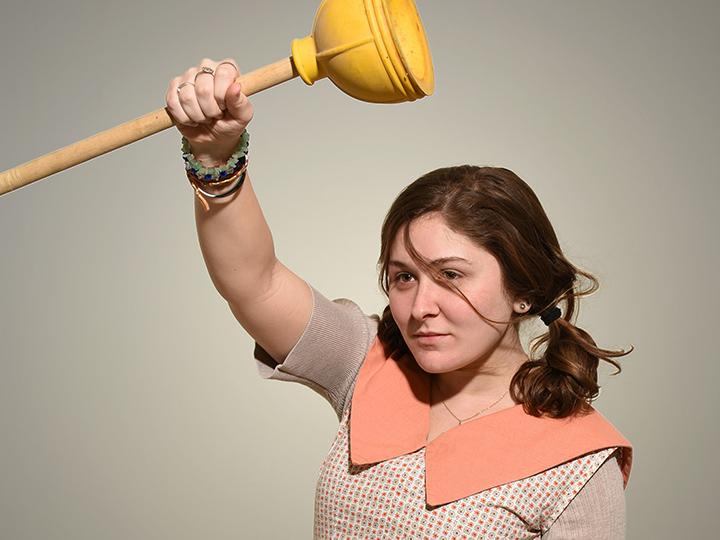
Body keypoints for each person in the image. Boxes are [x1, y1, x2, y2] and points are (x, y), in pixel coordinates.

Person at [166, 58, 633, 539]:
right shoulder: (367, 361)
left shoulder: (578, 462)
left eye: (451, 275)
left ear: (523, 290)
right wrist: (216, 157)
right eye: (404, 277)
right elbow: (254, 281)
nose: (421, 306)